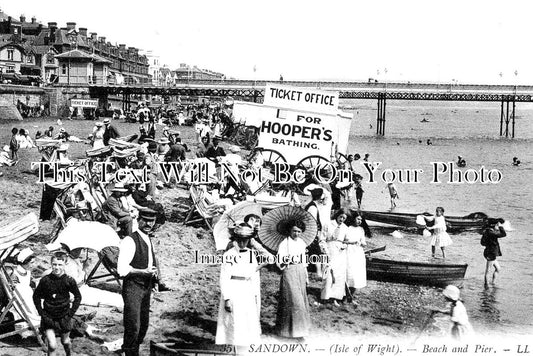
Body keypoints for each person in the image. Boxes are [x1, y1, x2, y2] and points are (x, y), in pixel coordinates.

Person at [117, 209, 159, 356]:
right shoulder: (130, 240)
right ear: (138, 220)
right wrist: (143, 272)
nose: (148, 224)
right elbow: (122, 270)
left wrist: (154, 280)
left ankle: (128, 349)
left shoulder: (148, 238)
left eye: (151, 221)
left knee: (143, 326)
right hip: (133, 286)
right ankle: (129, 352)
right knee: (133, 326)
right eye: (145, 220)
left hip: (146, 286)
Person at [216, 224, 261, 346]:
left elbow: (255, 275)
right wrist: (227, 298)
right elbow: (224, 277)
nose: (242, 243)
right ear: (235, 239)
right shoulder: (229, 255)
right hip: (234, 289)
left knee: (247, 320)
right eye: (239, 240)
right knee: (233, 320)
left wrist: (256, 295)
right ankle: (232, 346)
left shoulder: (251, 254)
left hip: (247, 290)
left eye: (245, 240)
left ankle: (245, 347)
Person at [32, 253, 82, 356]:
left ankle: (69, 354)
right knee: (52, 345)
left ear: (64, 265)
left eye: (60, 264)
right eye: (54, 264)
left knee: (65, 341)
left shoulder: (69, 280)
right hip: (48, 317)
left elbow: (78, 297)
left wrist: (70, 314)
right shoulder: (45, 280)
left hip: (64, 317)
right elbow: (36, 296)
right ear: (51, 264)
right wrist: (41, 313)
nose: (57, 267)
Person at [276, 220, 311, 339]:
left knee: (301, 299)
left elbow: (304, 261)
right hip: (289, 271)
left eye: (299, 231)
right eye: (294, 231)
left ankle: (300, 331)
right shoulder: (284, 243)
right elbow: (279, 260)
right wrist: (287, 260)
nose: (296, 233)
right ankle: (287, 331)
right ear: (290, 230)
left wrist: (306, 276)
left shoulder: (302, 243)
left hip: (300, 271)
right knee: (293, 300)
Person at [321, 209, 349, 306]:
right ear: (337, 215)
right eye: (340, 217)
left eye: (344, 218)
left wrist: (344, 246)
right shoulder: (328, 224)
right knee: (328, 273)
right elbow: (322, 239)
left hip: (340, 253)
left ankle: (335, 298)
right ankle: (325, 297)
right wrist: (325, 250)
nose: (342, 219)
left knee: (338, 275)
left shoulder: (345, 228)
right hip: (329, 249)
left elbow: (346, 241)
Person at [344, 212, 368, 304]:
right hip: (349, 251)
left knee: (356, 275)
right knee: (349, 273)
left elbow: (364, 242)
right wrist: (351, 242)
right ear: (353, 219)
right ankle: (346, 294)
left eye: (361, 220)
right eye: (358, 219)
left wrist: (363, 243)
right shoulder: (348, 228)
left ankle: (351, 295)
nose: (360, 221)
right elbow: (344, 240)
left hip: (358, 253)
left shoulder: (361, 229)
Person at [480, 218, 506, 286]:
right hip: (491, 253)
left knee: (498, 268)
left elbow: (482, 243)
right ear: (494, 225)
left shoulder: (487, 231)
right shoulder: (491, 233)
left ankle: (492, 283)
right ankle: (486, 285)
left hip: (489, 252)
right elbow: (503, 234)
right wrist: (500, 227)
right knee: (488, 271)